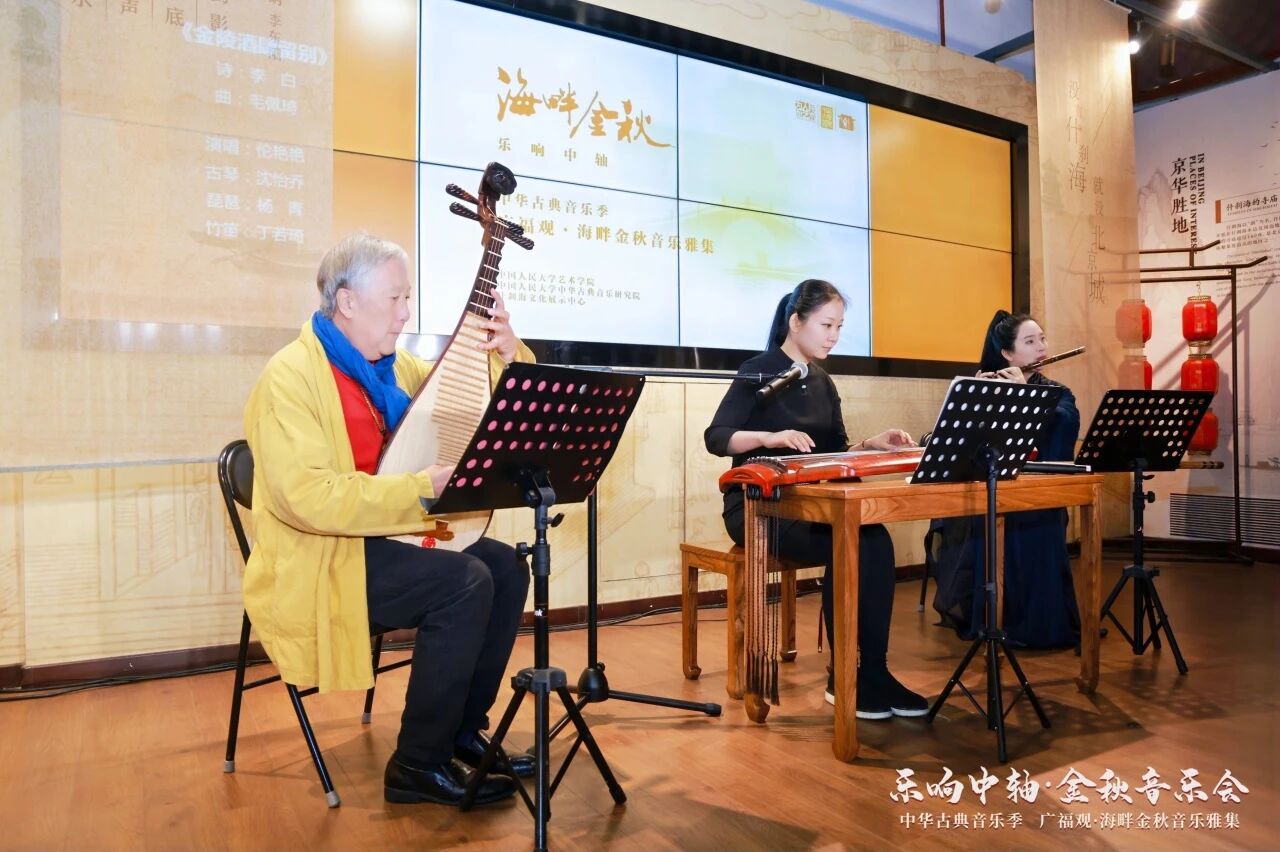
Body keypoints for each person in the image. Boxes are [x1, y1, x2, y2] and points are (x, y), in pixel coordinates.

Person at [242, 232, 537, 806]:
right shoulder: (290, 377)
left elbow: (470, 405)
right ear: (347, 302)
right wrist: (419, 488)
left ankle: (460, 731)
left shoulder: (395, 367)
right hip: (325, 553)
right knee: (464, 581)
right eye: (395, 299)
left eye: (408, 299)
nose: (406, 314)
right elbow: (310, 499)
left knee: (504, 567)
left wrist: (506, 353)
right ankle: (417, 763)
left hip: (391, 533)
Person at [704, 279, 929, 720]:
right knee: (855, 542)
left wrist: (871, 444)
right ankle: (845, 677)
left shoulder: (822, 381)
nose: (834, 336)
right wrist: (769, 437)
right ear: (796, 322)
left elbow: (834, 450)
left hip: (808, 504)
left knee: (874, 539)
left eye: (840, 327)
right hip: (757, 507)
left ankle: (872, 671)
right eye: (827, 325)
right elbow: (717, 437)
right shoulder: (759, 370)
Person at [928, 310, 1082, 649]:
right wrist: (978, 395)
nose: (1042, 347)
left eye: (1042, 338)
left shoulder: (1057, 391)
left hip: (1039, 495)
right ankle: (996, 619)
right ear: (1007, 354)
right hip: (993, 495)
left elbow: (1065, 429)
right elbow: (954, 442)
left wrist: (1027, 395)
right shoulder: (988, 386)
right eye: (1030, 341)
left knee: (1040, 520)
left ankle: (1041, 622)